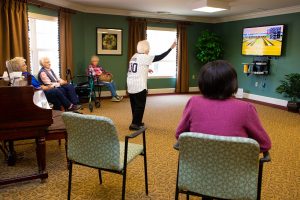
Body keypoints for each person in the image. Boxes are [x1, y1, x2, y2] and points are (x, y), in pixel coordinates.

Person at [176, 60, 271, 153]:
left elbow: (180, 134)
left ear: (202, 82)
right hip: (235, 167)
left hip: (197, 166)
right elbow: (264, 144)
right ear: (233, 83)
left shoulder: (193, 102)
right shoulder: (246, 108)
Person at [127, 40, 177, 130]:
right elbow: (160, 57)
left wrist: (147, 69)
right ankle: (134, 124)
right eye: (148, 48)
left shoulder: (134, 56)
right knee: (140, 105)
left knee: (134, 105)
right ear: (145, 49)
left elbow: (137, 67)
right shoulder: (144, 57)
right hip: (139, 86)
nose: (149, 50)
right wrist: (171, 48)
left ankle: (137, 121)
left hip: (131, 85)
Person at [8, 57, 80, 111]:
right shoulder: (23, 77)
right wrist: (47, 87)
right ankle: (69, 106)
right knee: (56, 91)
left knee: (60, 92)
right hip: (38, 93)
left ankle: (62, 110)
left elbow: (38, 84)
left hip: (40, 90)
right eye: (24, 65)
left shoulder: (26, 74)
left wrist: (45, 87)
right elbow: (34, 87)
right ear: (18, 67)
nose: (26, 66)